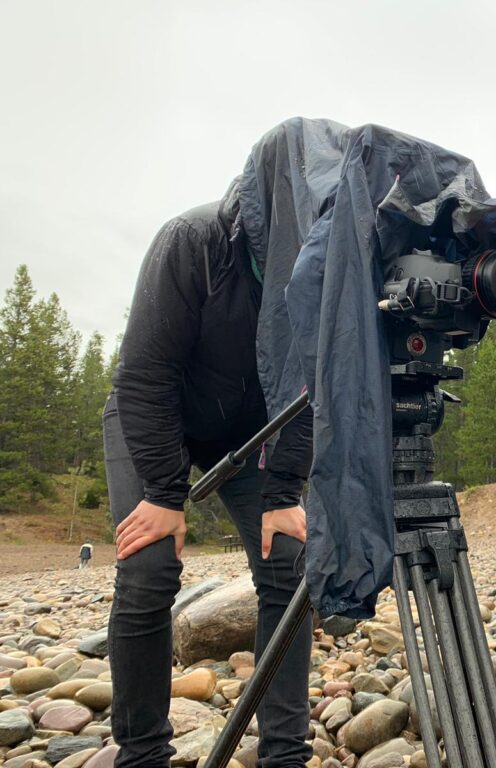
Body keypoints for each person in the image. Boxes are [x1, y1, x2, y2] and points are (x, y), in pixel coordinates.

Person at [103, 176, 313, 767]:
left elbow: (309, 391)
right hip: (152, 413)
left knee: (288, 565)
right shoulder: (192, 240)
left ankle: (285, 753)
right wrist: (165, 494)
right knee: (147, 565)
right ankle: (142, 753)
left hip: (250, 433)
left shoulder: (324, 268)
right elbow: (144, 376)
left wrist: (284, 491)